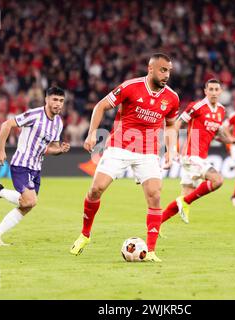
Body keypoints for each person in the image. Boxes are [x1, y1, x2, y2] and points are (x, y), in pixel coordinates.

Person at [69, 53, 180, 262]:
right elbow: (101, 105)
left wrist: (171, 150)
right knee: (96, 189)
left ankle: (152, 250)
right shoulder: (131, 87)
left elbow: (172, 124)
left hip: (148, 152)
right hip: (120, 147)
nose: (166, 75)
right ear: (151, 69)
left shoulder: (172, 97)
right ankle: (85, 234)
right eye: (163, 70)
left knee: (155, 195)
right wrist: (93, 132)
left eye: (169, 71)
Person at [0, 86, 70, 245]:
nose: (58, 104)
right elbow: (7, 124)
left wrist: (60, 150)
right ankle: (0, 191)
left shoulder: (58, 122)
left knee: (26, 205)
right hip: (22, 164)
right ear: (47, 99)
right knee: (30, 201)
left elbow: (51, 149)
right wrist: (1, 150)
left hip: (37, 168)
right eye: (55, 100)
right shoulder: (35, 114)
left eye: (61, 101)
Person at [161, 79, 235, 225]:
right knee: (217, 180)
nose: (213, 92)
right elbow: (177, 124)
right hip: (191, 156)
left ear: (220, 91)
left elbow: (217, 134)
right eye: (210, 89)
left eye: (216, 89)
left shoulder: (221, 110)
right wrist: (171, 149)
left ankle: (156, 224)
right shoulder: (196, 106)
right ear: (205, 91)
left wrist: (231, 140)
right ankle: (183, 202)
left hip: (201, 157)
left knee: (185, 197)